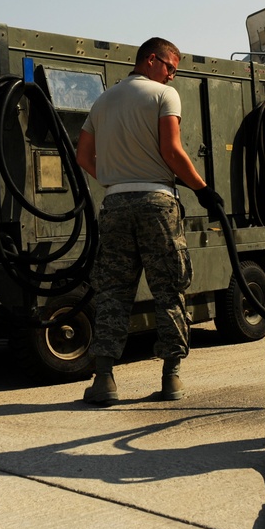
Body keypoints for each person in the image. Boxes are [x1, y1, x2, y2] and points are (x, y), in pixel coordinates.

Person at [75, 37, 223, 405]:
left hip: (115, 203)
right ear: (151, 60)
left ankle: (104, 379)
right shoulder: (162, 96)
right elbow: (172, 151)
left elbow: (82, 155)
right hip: (157, 202)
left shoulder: (103, 100)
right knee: (169, 289)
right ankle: (171, 377)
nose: (173, 76)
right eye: (170, 67)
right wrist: (203, 189)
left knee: (112, 291)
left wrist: (111, 179)